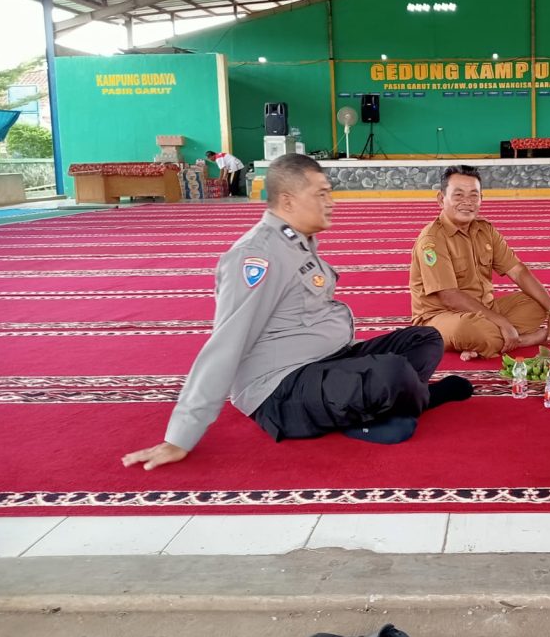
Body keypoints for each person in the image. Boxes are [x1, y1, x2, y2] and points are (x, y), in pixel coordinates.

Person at [123, 153, 472, 471]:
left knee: (425, 339)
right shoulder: (256, 256)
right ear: (288, 201)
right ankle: (410, 400)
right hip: (281, 391)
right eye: (320, 195)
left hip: (325, 362)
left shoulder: (298, 243)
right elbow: (225, 344)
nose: (331, 203)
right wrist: (181, 435)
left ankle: (395, 401)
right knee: (393, 372)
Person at [409, 165, 550, 361]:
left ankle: (491, 342)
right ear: (441, 199)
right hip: (441, 317)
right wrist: (502, 322)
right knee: (469, 329)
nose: (467, 202)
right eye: (458, 195)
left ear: (481, 198)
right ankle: (525, 339)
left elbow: (517, 271)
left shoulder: (485, 231)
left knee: (537, 303)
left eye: (474, 195)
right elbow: (449, 296)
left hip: (485, 309)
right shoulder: (432, 240)